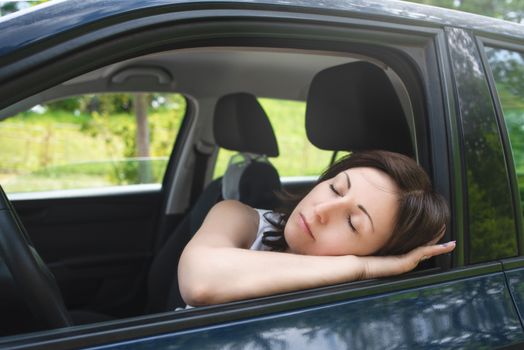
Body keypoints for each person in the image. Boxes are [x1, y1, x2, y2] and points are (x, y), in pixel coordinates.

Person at [178, 150, 455, 306]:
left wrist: (366, 270)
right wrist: (363, 267)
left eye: (351, 223)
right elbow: (201, 282)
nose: (321, 211)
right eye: (336, 188)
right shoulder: (237, 216)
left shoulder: (347, 305)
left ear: (376, 253)